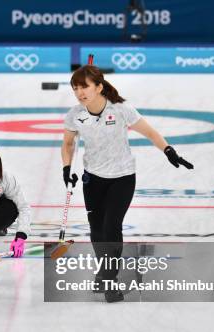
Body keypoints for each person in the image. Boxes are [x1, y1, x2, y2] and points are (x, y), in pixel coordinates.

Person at [61, 65, 193, 303]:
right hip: (93, 179)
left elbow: (151, 133)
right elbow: (69, 144)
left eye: (85, 87)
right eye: (76, 88)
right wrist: (66, 168)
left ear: (99, 87)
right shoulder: (74, 115)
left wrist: (169, 151)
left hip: (122, 178)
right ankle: (104, 270)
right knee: (97, 231)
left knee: (112, 228)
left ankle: (110, 280)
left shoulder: (121, 109)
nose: (80, 92)